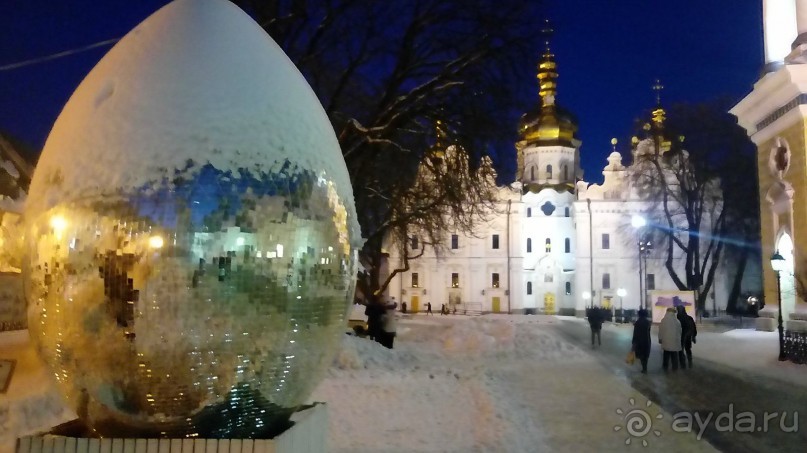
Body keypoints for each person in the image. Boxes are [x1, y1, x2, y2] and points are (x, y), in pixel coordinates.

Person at [658, 307, 682, 371]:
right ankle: (675, 367)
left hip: (666, 341)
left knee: (666, 354)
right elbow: (680, 331)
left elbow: (660, 330)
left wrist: (660, 338)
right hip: (674, 341)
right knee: (674, 355)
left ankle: (665, 367)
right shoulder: (677, 321)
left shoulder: (663, 320)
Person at [632, 309, 652, 373]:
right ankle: (645, 367)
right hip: (646, 340)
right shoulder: (648, 322)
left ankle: (644, 368)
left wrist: (633, 341)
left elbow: (635, 333)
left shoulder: (637, 322)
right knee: (645, 354)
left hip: (639, 341)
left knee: (641, 355)